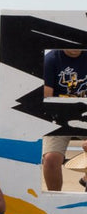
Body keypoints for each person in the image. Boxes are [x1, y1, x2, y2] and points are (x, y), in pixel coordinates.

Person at [41, 48, 87, 190]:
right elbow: (47, 97)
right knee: (50, 159)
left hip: (85, 115)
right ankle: (55, 201)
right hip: (58, 117)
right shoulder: (51, 59)